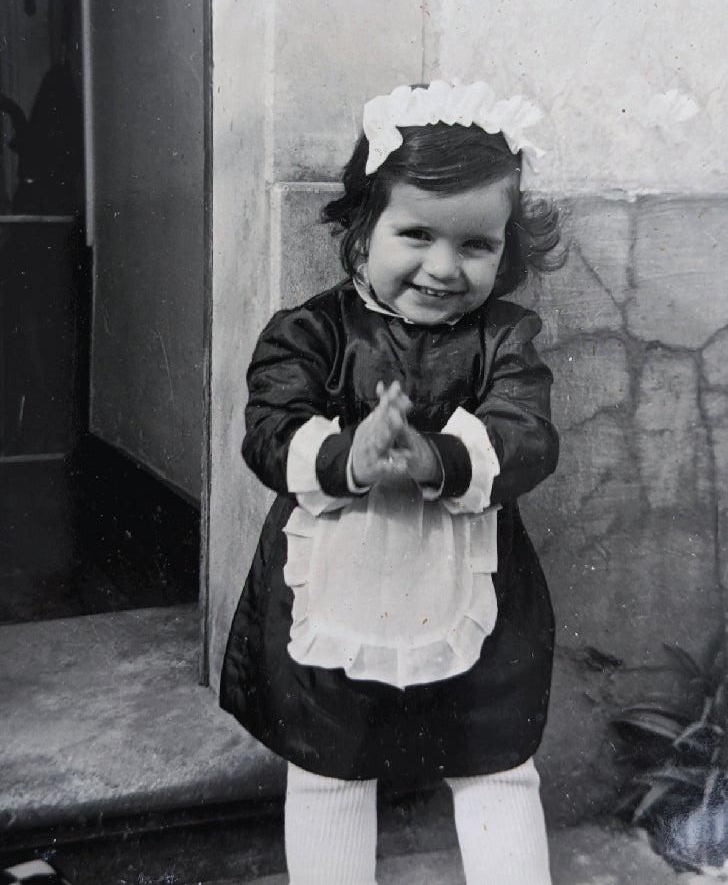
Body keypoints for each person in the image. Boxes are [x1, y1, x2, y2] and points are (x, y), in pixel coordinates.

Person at [220, 80, 563, 885]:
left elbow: (527, 432)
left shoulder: (503, 338)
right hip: (330, 585)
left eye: (476, 245)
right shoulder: (309, 332)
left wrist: (441, 457)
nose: (444, 268)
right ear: (362, 229)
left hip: (471, 586)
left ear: (505, 248)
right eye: (416, 233)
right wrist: (346, 455)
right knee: (331, 770)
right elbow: (268, 430)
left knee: (496, 762)